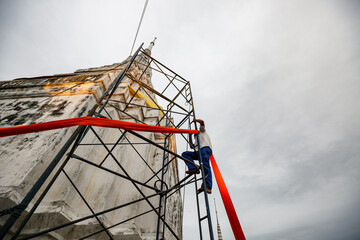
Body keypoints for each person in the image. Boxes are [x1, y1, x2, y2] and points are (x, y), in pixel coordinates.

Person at [182, 119, 213, 194]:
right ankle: (193, 168)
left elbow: (202, 122)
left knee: (205, 166)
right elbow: (191, 145)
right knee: (185, 154)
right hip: (198, 151)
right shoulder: (196, 139)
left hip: (204, 149)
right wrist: (190, 134)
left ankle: (208, 186)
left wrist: (195, 120)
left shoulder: (202, 132)